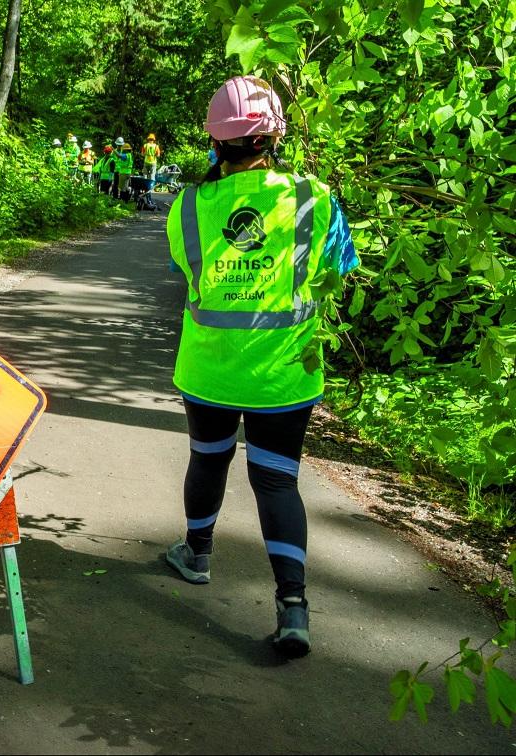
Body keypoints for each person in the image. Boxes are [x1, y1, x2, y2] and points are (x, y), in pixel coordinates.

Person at [164, 75, 358, 658]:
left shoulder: (190, 204)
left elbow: (188, 270)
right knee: (276, 480)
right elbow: (338, 269)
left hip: (210, 372)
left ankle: (196, 555)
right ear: (274, 136)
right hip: (285, 375)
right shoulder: (315, 197)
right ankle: (293, 606)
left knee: (209, 460)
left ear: (214, 142)